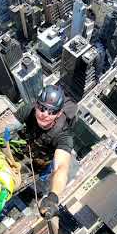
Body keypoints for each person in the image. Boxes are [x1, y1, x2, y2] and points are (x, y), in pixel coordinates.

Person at [16, 85, 78, 219]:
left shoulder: (63, 136)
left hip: (42, 160)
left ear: (59, 113)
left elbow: (62, 167)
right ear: (36, 105)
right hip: (27, 146)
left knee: (43, 173)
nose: (45, 114)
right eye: (42, 108)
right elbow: (8, 124)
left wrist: (53, 196)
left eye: (52, 112)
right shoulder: (28, 110)